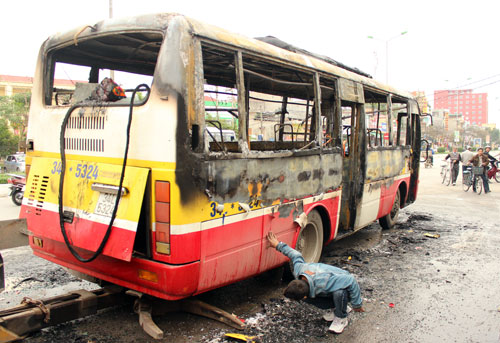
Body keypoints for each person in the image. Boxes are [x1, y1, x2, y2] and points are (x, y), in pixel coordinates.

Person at [266, 231, 364, 334]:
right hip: (327, 284)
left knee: (339, 292)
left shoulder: (324, 282)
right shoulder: (300, 270)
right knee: (313, 297)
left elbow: (350, 280)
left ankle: (341, 318)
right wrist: (277, 244)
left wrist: (357, 304)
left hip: (344, 285)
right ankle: (338, 307)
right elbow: (295, 255)